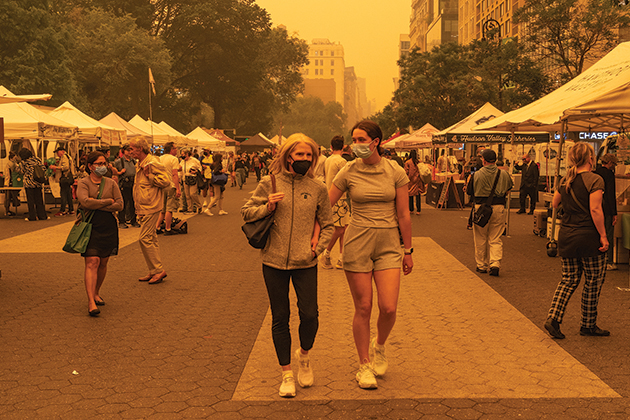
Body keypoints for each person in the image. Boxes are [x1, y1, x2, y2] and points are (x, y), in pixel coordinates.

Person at [241, 134, 334, 398]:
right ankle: (286, 373)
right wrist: (267, 207)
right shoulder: (268, 183)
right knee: (280, 317)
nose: (304, 159)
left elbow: (327, 223)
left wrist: (317, 248)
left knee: (310, 315)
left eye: (309, 155)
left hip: (306, 262)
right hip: (273, 261)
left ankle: (304, 355)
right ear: (288, 156)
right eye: (300, 154)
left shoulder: (317, 188)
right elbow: (246, 212)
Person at [329, 120, 413, 390]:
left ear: (376, 141)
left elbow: (403, 214)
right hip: (357, 242)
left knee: (388, 307)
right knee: (363, 307)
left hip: (389, 242)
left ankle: (379, 346)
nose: (356, 145)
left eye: (362, 139)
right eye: (354, 139)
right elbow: (325, 204)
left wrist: (408, 250)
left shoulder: (395, 171)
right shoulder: (348, 171)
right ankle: (364, 365)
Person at [544, 142, 610, 339]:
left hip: (567, 236)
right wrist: (604, 236)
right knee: (593, 280)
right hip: (589, 237)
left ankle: (553, 318)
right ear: (591, 158)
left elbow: (555, 203)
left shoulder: (566, 179)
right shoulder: (595, 179)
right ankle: (588, 324)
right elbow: (595, 210)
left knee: (568, 279)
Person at [76, 151, 124, 316]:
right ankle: (91, 301)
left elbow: (120, 205)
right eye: (98, 163)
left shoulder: (111, 183)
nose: (102, 166)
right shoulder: (83, 183)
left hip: (108, 227)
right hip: (90, 226)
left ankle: (96, 292)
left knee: (103, 263)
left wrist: (98, 204)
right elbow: (84, 202)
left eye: (104, 163)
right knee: (92, 261)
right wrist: (107, 202)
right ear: (90, 166)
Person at [130, 137, 171, 284]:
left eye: (131, 148)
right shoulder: (140, 163)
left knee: (145, 238)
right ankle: (154, 270)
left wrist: (149, 175)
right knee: (151, 238)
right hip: (145, 205)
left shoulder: (152, 162)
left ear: (140, 149)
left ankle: (158, 270)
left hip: (151, 205)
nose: (130, 151)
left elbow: (166, 181)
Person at [466, 149, 513, 277]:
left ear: (484, 160)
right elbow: (509, 188)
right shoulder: (504, 174)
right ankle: (495, 263)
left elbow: (469, 192)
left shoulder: (476, 175)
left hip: (481, 207)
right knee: (496, 237)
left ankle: (481, 265)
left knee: (480, 237)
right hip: (498, 207)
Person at [321, 135, 350, 270]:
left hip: (330, 196)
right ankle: (326, 253)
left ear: (331, 146)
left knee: (343, 229)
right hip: (340, 199)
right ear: (343, 147)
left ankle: (341, 258)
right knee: (339, 229)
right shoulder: (342, 162)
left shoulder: (327, 160)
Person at [595, 153, 618, 271]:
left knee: (597, 233)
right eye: (614, 164)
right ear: (609, 163)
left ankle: (597, 260)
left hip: (596, 207)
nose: (614, 166)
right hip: (607, 209)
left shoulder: (595, 172)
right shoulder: (609, 175)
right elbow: (611, 194)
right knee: (608, 234)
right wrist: (614, 212)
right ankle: (608, 261)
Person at [156, 142, 182, 235]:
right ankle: (168, 228)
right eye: (175, 148)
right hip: (170, 185)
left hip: (161, 185)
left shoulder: (159, 158)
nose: (176, 150)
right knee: (169, 208)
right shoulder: (174, 159)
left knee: (162, 209)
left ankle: (157, 227)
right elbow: (175, 174)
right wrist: (178, 189)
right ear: (171, 149)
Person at [18, 148, 48, 221]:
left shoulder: (24, 162)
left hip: (29, 184)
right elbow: (44, 169)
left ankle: (32, 216)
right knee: (39, 200)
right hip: (38, 182)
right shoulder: (37, 159)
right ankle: (42, 216)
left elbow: (21, 171)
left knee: (30, 201)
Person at [113, 144, 138, 229]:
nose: (130, 152)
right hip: (124, 184)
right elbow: (114, 172)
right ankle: (122, 221)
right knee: (123, 203)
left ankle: (133, 221)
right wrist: (120, 172)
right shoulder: (119, 162)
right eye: (128, 150)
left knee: (133, 203)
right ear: (124, 151)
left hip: (133, 183)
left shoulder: (133, 161)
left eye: (131, 150)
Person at [49, 146, 75, 217]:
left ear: (62, 151)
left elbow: (65, 167)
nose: (57, 154)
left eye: (57, 152)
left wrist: (55, 167)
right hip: (68, 178)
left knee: (63, 194)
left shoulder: (64, 157)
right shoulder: (68, 156)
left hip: (64, 178)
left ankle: (62, 210)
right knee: (68, 194)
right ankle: (71, 209)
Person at [180, 149, 203, 213]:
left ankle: (199, 205)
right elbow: (180, 169)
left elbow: (200, 169)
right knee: (187, 195)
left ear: (187, 154)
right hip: (185, 179)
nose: (182, 156)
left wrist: (195, 171)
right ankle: (190, 209)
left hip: (193, 178)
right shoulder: (182, 161)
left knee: (192, 194)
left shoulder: (194, 160)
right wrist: (180, 177)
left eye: (183, 154)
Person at [404, 149, 424, 215]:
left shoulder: (407, 162)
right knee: (418, 195)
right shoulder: (418, 162)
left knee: (410, 195)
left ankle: (411, 209)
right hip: (418, 180)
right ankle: (418, 210)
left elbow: (406, 172)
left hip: (410, 180)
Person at [4, 151, 22, 216]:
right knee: (9, 197)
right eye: (15, 156)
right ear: (13, 157)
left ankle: (7, 211)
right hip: (10, 182)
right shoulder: (12, 164)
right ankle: (7, 211)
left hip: (8, 181)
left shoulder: (9, 163)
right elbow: (16, 171)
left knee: (8, 197)